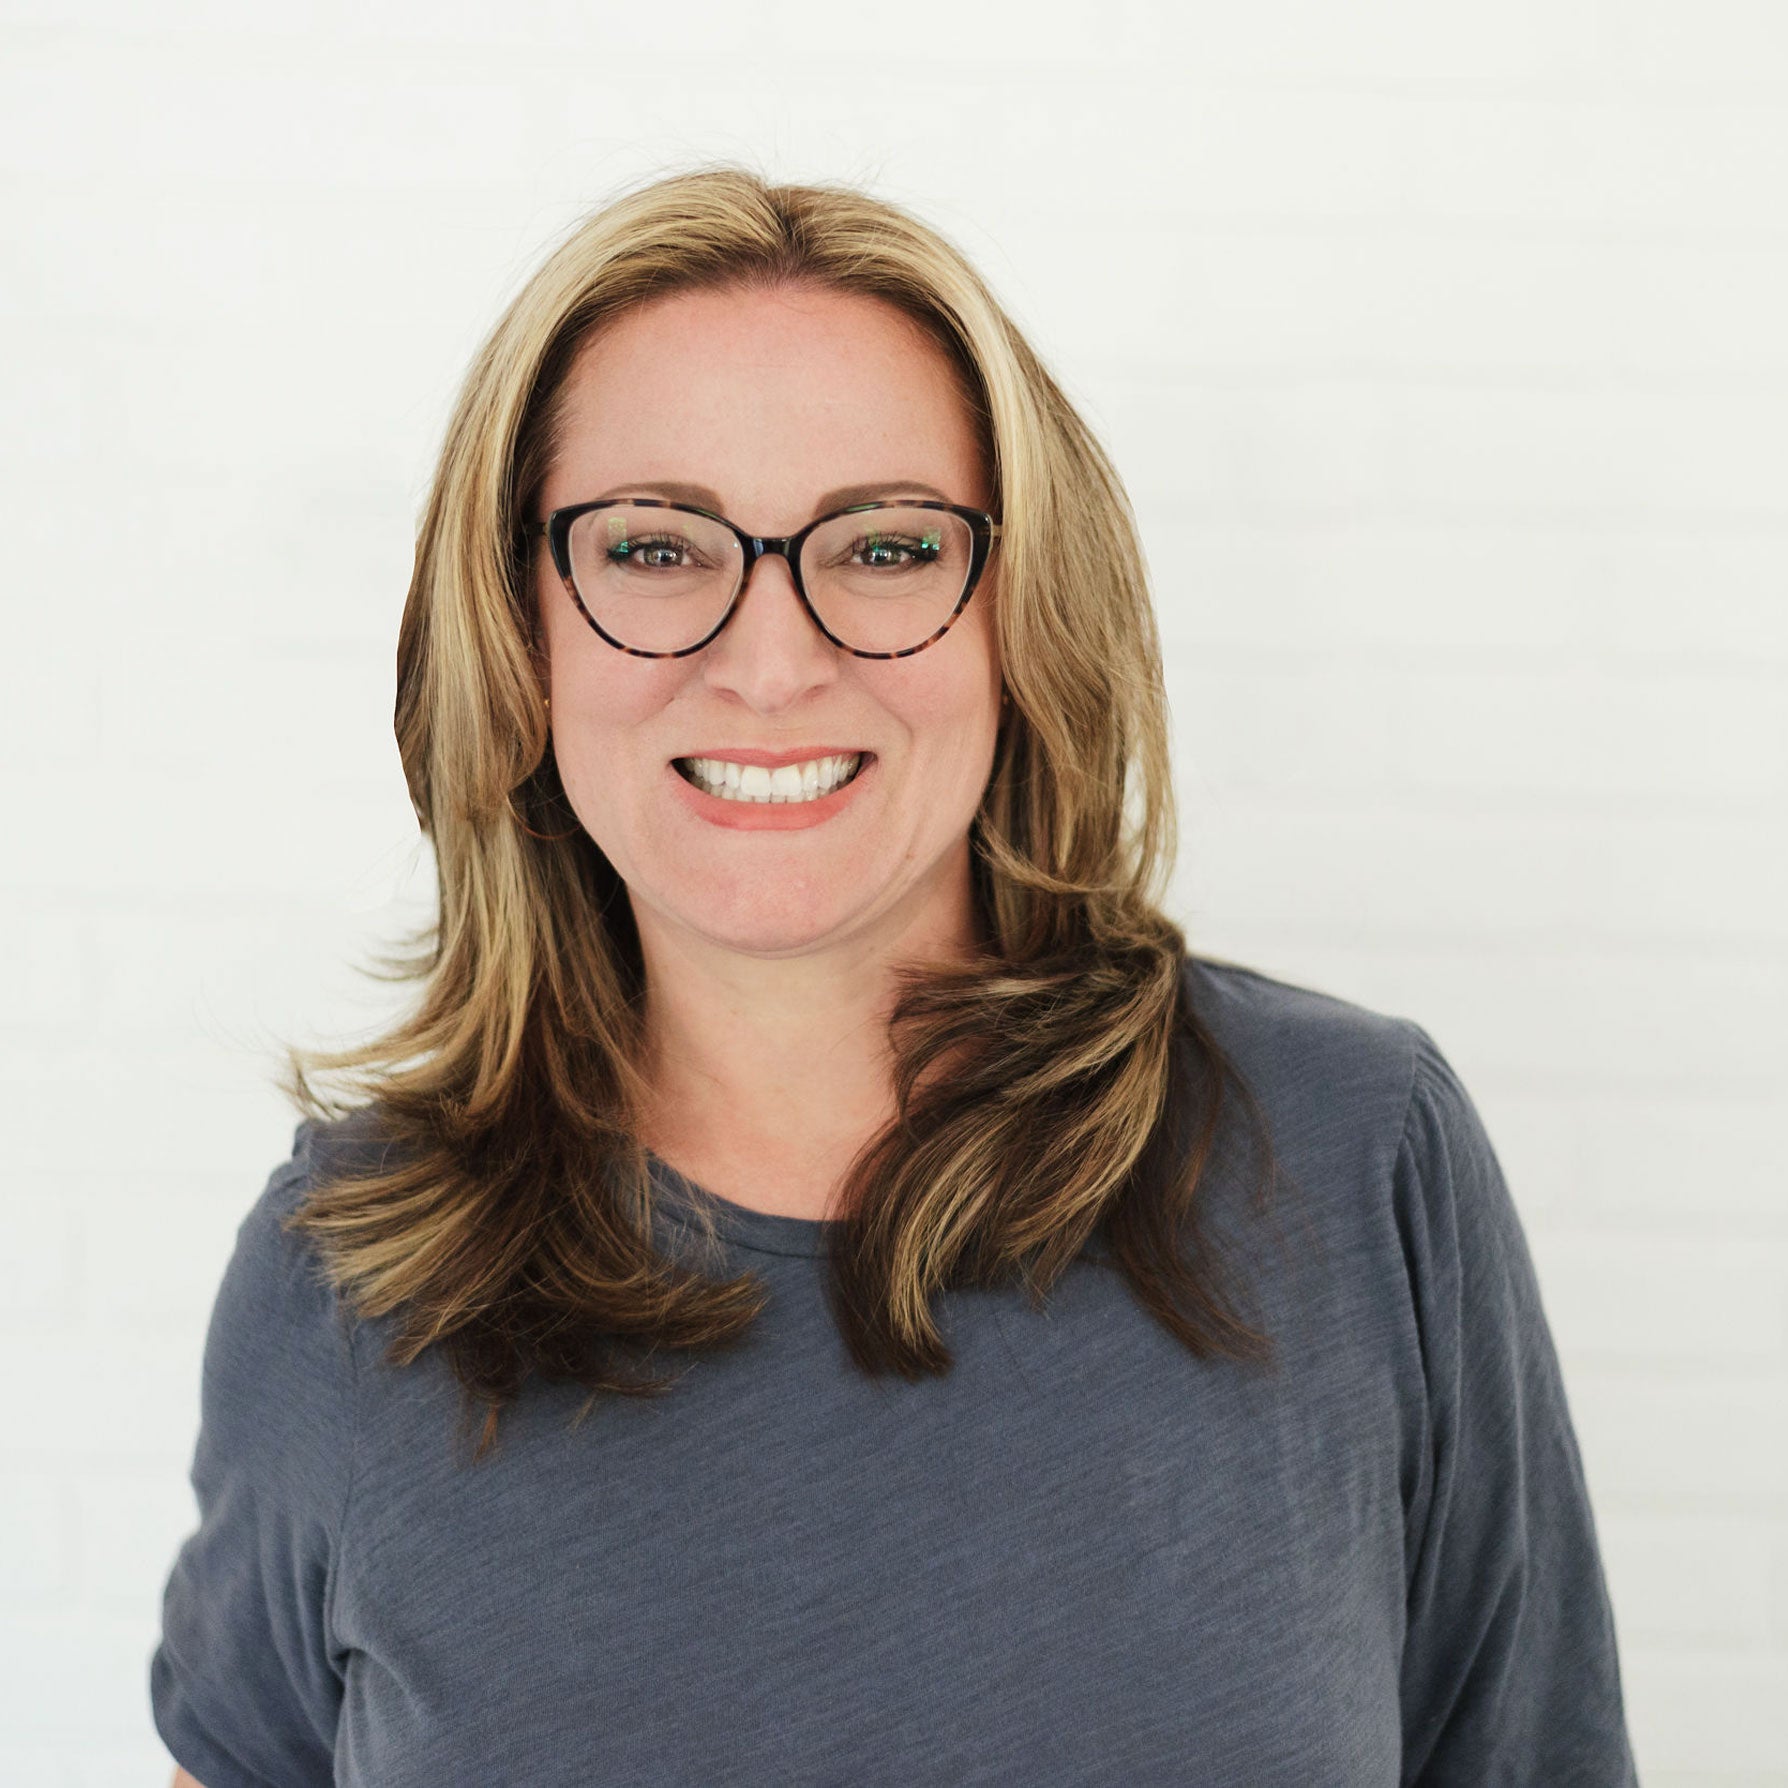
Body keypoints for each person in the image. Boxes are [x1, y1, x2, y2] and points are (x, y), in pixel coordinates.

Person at [149, 165, 1639, 1786]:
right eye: (654, 547)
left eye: (884, 547)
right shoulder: (351, 1281)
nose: (774, 659)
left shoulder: (1351, 1158)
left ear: (1019, 612)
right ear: (520, 630)